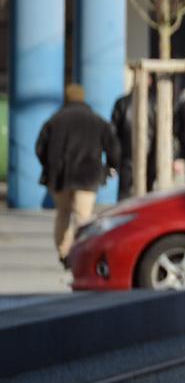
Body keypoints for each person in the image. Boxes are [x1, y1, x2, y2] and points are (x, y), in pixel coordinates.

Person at [38, 85, 121, 265]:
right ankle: (80, 252)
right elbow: (113, 147)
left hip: (59, 177)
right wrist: (111, 167)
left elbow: (40, 148)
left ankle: (63, 252)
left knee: (62, 214)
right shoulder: (97, 120)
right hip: (88, 176)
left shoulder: (55, 120)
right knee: (83, 216)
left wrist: (49, 167)